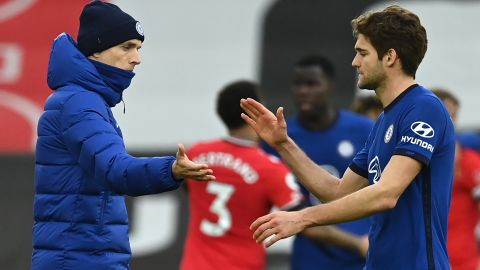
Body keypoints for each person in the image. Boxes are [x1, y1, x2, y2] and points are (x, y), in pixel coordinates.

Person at [241, 5, 455, 270]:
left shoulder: (424, 107)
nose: (355, 62)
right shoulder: (383, 122)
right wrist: (283, 144)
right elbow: (336, 191)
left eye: (362, 53)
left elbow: (386, 194)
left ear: (389, 57)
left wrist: (303, 218)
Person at [31, 1, 215, 269]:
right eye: (126, 47)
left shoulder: (84, 99)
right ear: (96, 50)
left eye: (138, 48)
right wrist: (172, 169)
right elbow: (116, 170)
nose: (137, 58)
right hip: (79, 261)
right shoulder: (80, 103)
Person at [262, 55, 372, 270]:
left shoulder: (363, 129)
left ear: (330, 86)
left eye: (311, 84)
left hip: (366, 255)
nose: (303, 91)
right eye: (298, 84)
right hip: (312, 257)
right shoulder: (279, 138)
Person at [179, 80, 303, 270]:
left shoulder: (196, 153)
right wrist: (354, 241)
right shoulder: (269, 168)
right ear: (255, 110)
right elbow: (302, 216)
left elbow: (187, 188)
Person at [432, 88, 480, 270]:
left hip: (461, 262)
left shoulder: (468, 160)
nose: (451, 121)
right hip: (424, 259)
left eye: (454, 115)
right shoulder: (411, 158)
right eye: (446, 114)